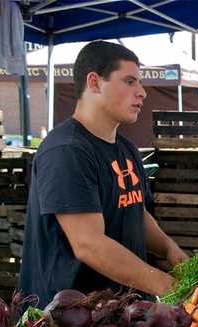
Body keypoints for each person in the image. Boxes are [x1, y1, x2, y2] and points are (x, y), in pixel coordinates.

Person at [19, 41, 188, 307]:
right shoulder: (67, 150)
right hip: (68, 322)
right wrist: (167, 286)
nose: (142, 92)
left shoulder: (126, 149)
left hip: (121, 313)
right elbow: (89, 244)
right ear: (95, 83)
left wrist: (168, 248)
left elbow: (134, 209)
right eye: (129, 81)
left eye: (140, 83)